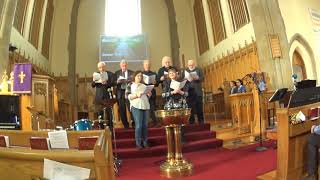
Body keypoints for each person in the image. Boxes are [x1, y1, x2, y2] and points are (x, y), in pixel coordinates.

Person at [162, 67, 188, 143]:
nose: (172, 74)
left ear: (176, 73)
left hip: (180, 104)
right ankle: (173, 140)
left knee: (181, 122)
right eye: (170, 73)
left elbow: (186, 94)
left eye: (173, 72)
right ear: (168, 75)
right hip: (170, 104)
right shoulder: (166, 83)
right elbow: (163, 95)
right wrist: (172, 92)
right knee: (172, 122)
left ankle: (182, 139)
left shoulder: (181, 81)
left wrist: (180, 92)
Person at [125, 71, 151, 149]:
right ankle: (138, 143)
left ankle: (145, 142)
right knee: (139, 125)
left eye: (141, 76)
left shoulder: (144, 85)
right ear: (134, 77)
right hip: (136, 106)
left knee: (145, 125)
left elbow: (146, 97)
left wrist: (149, 94)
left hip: (145, 105)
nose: (139, 77)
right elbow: (127, 96)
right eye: (138, 76)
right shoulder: (130, 85)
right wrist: (136, 95)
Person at [91, 62, 115, 129]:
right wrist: (94, 80)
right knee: (100, 114)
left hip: (107, 96)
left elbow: (113, 83)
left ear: (105, 67)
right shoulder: (96, 74)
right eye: (99, 67)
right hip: (99, 97)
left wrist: (106, 83)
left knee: (109, 113)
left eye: (102, 67)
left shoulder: (109, 74)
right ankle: (101, 128)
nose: (101, 69)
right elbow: (92, 85)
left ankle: (110, 128)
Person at [182, 59, 204, 124]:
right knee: (190, 107)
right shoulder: (185, 70)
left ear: (194, 64)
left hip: (197, 91)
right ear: (187, 65)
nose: (191, 66)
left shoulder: (199, 69)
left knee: (199, 106)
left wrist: (198, 78)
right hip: (189, 91)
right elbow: (182, 80)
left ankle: (201, 120)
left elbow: (202, 78)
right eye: (189, 65)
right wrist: (185, 78)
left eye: (192, 65)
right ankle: (191, 121)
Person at [115, 60, 134, 128]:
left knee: (131, 108)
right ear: (120, 66)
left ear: (127, 65)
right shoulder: (117, 73)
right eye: (123, 66)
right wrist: (117, 82)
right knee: (122, 109)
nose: (124, 67)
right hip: (121, 92)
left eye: (125, 65)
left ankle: (134, 123)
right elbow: (114, 83)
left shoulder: (132, 72)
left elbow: (135, 81)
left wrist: (130, 80)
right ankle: (125, 125)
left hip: (129, 92)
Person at [142, 60, 159, 127]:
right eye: (146, 64)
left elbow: (157, 84)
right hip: (144, 93)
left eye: (148, 64)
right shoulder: (141, 73)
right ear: (143, 65)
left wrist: (155, 82)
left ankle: (155, 122)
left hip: (152, 92)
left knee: (152, 107)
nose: (147, 66)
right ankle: (146, 123)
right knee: (145, 108)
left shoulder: (154, 73)